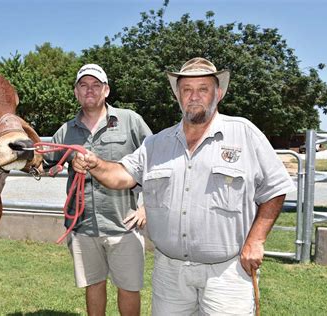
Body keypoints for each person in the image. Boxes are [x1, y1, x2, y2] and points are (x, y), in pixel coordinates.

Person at [72, 57, 296, 315]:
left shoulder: (244, 133)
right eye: (187, 89)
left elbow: (276, 188)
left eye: (203, 89)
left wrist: (256, 241)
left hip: (226, 272)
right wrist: (95, 164)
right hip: (170, 273)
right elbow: (122, 175)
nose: (194, 96)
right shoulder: (157, 144)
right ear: (178, 96)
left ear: (218, 93)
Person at [44, 63, 152, 316]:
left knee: (128, 287)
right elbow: (43, 161)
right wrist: (67, 160)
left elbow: (155, 162)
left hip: (123, 223)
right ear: (76, 92)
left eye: (96, 85)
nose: (89, 90)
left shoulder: (130, 121)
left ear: (106, 90)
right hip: (83, 225)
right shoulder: (65, 131)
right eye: (83, 85)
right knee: (94, 284)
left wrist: (146, 207)